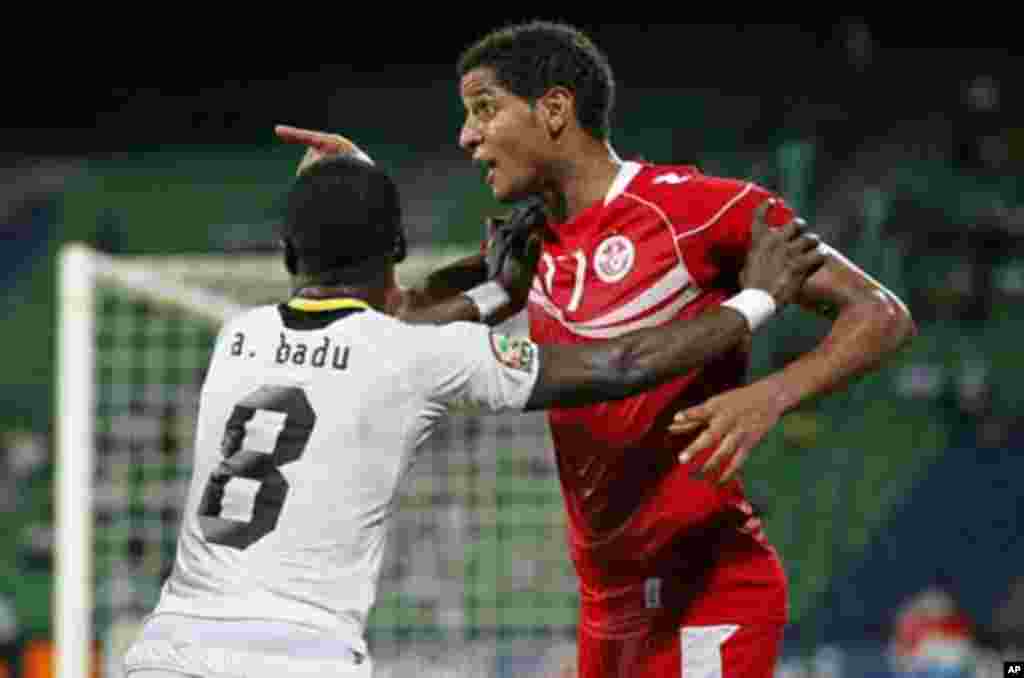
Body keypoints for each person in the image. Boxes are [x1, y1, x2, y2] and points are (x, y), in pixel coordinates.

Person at [121, 152, 823, 677]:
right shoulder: (415, 357)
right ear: (396, 250)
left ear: (285, 253)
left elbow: (389, 327)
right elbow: (621, 365)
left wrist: (494, 295)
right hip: (300, 657)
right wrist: (756, 299)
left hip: (166, 647)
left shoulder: (235, 336)